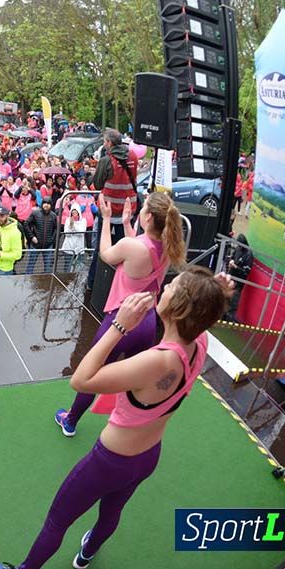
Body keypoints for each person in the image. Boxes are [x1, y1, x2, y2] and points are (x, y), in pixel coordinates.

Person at [0, 267, 233, 569]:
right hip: (148, 457)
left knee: (57, 520)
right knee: (111, 511)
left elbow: (81, 380)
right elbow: (203, 316)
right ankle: (87, 553)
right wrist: (215, 291)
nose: (164, 288)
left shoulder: (156, 361)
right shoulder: (199, 345)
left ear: (179, 307)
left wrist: (119, 325)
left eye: (172, 286)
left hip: (110, 461)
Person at [55, 191, 185, 437]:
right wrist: (126, 224)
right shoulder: (168, 246)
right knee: (134, 378)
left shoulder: (132, 246)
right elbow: (140, 254)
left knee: (92, 373)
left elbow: (107, 254)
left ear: (146, 217)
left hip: (121, 321)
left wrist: (105, 219)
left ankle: (70, 421)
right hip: (147, 322)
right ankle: (125, 422)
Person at [86, 129, 138, 291]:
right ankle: (121, 284)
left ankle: (93, 283)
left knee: (102, 248)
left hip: (109, 211)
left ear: (109, 143)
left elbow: (99, 184)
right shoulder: (133, 156)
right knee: (126, 250)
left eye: (105, 141)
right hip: (128, 211)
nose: (104, 144)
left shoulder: (106, 161)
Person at [24, 199, 59, 274]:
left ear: (51, 205)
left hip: (48, 245)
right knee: (30, 266)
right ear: (42, 204)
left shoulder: (53, 215)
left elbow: (56, 228)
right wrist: (32, 237)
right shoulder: (35, 213)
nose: (46, 205)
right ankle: (26, 280)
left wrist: (52, 239)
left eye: (48, 203)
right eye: (45, 203)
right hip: (35, 244)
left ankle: (47, 283)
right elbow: (26, 224)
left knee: (48, 268)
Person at [0, 206, 23, 276]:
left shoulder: (15, 233)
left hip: (4, 269)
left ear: (7, 215)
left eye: (2, 216)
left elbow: (18, 255)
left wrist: (1, 255)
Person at [60, 205, 88, 272]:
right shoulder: (67, 220)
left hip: (79, 249)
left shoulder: (83, 221)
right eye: (72, 213)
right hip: (69, 248)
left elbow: (81, 233)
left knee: (78, 267)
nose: (74, 214)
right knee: (67, 267)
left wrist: (74, 226)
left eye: (75, 212)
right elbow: (67, 234)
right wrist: (70, 226)